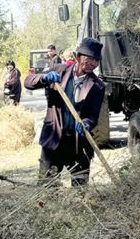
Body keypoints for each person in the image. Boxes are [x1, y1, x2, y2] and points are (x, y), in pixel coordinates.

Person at [24, 37, 106, 188]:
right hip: (54, 139)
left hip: (78, 144)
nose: (92, 64)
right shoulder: (58, 71)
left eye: (96, 60)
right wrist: (44, 78)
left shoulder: (98, 86)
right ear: (78, 57)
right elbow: (28, 81)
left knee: (80, 190)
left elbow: (93, 115)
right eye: (89, 59)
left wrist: (87, 123)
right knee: (46, 187)